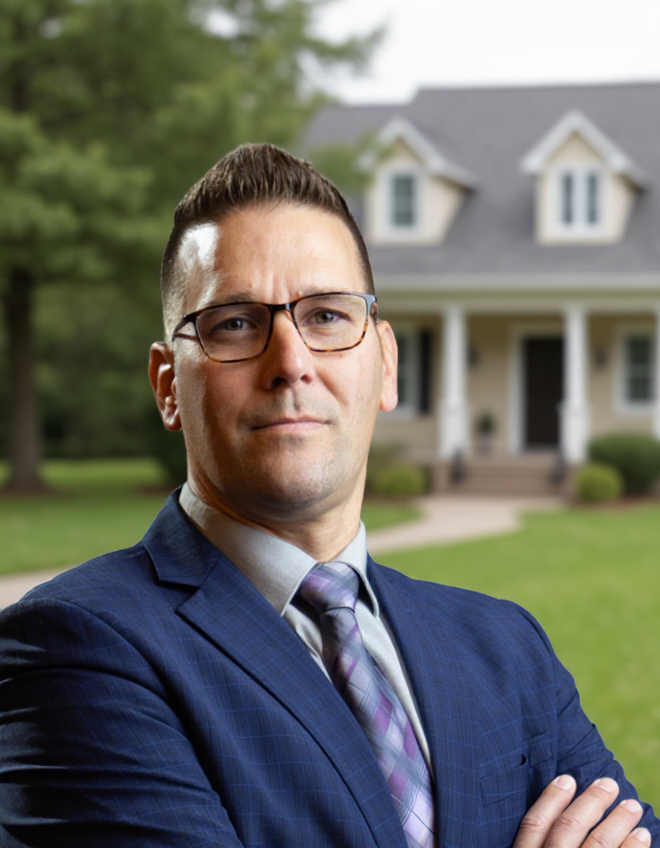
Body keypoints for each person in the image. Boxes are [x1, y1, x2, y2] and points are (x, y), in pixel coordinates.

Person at [0, 144, 657, 848]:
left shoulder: (505, 646)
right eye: (235, 323)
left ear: (386, 366)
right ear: (167, 386)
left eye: (326, 317)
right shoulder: (75, 648)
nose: (290, 363)